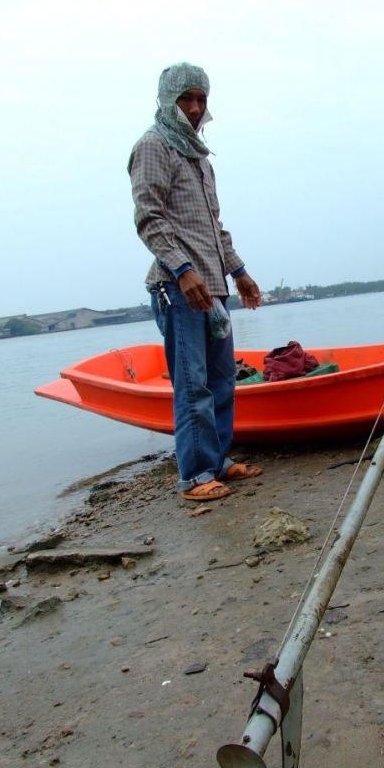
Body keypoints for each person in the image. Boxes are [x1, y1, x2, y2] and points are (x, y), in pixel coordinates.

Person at [129, 62, 263, 501]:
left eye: (201, 100)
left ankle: (218, 461)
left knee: (222, 382)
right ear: (168, 100)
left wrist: (239, 272)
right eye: (185, 98)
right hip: (178, 289)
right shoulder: (153, 147)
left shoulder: (200, 157)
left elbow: (214, 226)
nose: (194, 108)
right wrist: (182, 271)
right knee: (192, 385)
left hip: (214, 289)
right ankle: (195, 477)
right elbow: (149, 218)